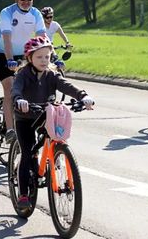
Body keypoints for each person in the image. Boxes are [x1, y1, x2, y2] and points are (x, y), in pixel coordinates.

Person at [11, 36, 94, 210]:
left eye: (47, 57)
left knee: (55, 138)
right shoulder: (23, 74)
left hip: (45, 115)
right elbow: (16, 89)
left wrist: (83, 96)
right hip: (25, 117)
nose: (43, 61)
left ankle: (54, 157)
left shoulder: (51, 74)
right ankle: (24, 194)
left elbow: (66, 85)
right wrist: (19, 100)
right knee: (28, 152)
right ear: (29, 58)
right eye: (39, 57)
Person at [0, 0, 46, 142]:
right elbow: (7, 39)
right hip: (4, 53)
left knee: (34, 88)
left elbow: (42, 37)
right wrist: (10, 60)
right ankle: (10, 129)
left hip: (24, 54)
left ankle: (33, 124)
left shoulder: (36, 14)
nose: (26, 1)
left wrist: (51, 56)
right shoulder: (7, 13)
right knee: (10, 90)